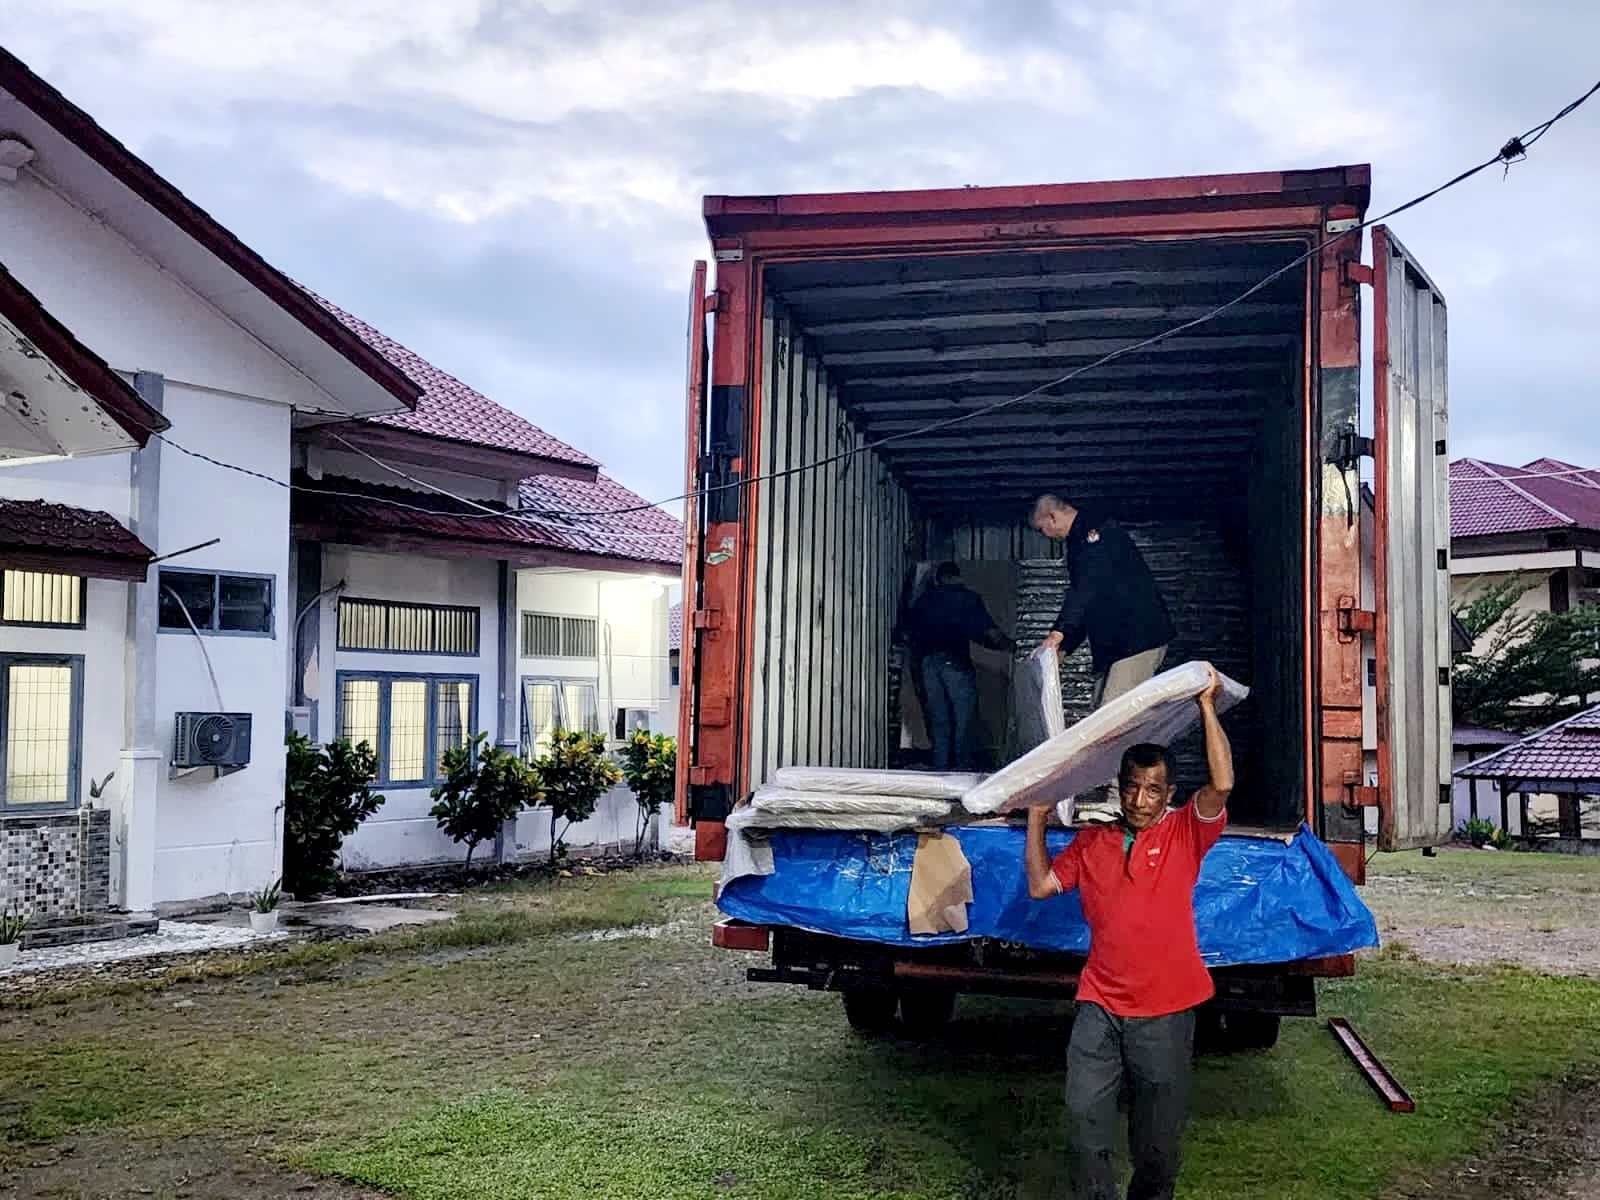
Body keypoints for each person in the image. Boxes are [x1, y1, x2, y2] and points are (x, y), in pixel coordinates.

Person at [1023, 666, 1232, 1200]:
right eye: (1132, 787)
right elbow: (1042, 886)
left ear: (1169, 794)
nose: (1140, 800)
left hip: (1166, 1008)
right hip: (1100, 1005)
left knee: (1157, 1140)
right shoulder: (1093, 842)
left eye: (1153, 790)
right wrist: (1036, 818)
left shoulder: (1186, 833)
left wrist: (1207, 705)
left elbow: (1222, 784)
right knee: (1083, 1117)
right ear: (1119, 788)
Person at [1032, 493, 1177, 819]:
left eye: (1043, 530)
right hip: (1115, 645)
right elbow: (1089, 604)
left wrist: (1058, 632)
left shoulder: (1095, 532)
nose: (1046, 536)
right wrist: (1064, 648)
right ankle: (1114, 792)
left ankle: (1119, 798)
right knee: (1102, 716)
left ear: (1052, 517)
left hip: (1137, 639)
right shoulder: (1080, 544)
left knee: (1116, 719)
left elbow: (1086, 588)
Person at [903, 562, 1014, 771]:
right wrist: (1011, 647)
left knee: (939, 719)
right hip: (955, 662)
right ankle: (962, 768)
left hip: (928, 665)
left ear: (939, 579)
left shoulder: (925, 599)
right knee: (964, 718)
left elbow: (909, 632)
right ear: (956, 577)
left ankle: (941, 767)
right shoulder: (966, 598)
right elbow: (989, 632)